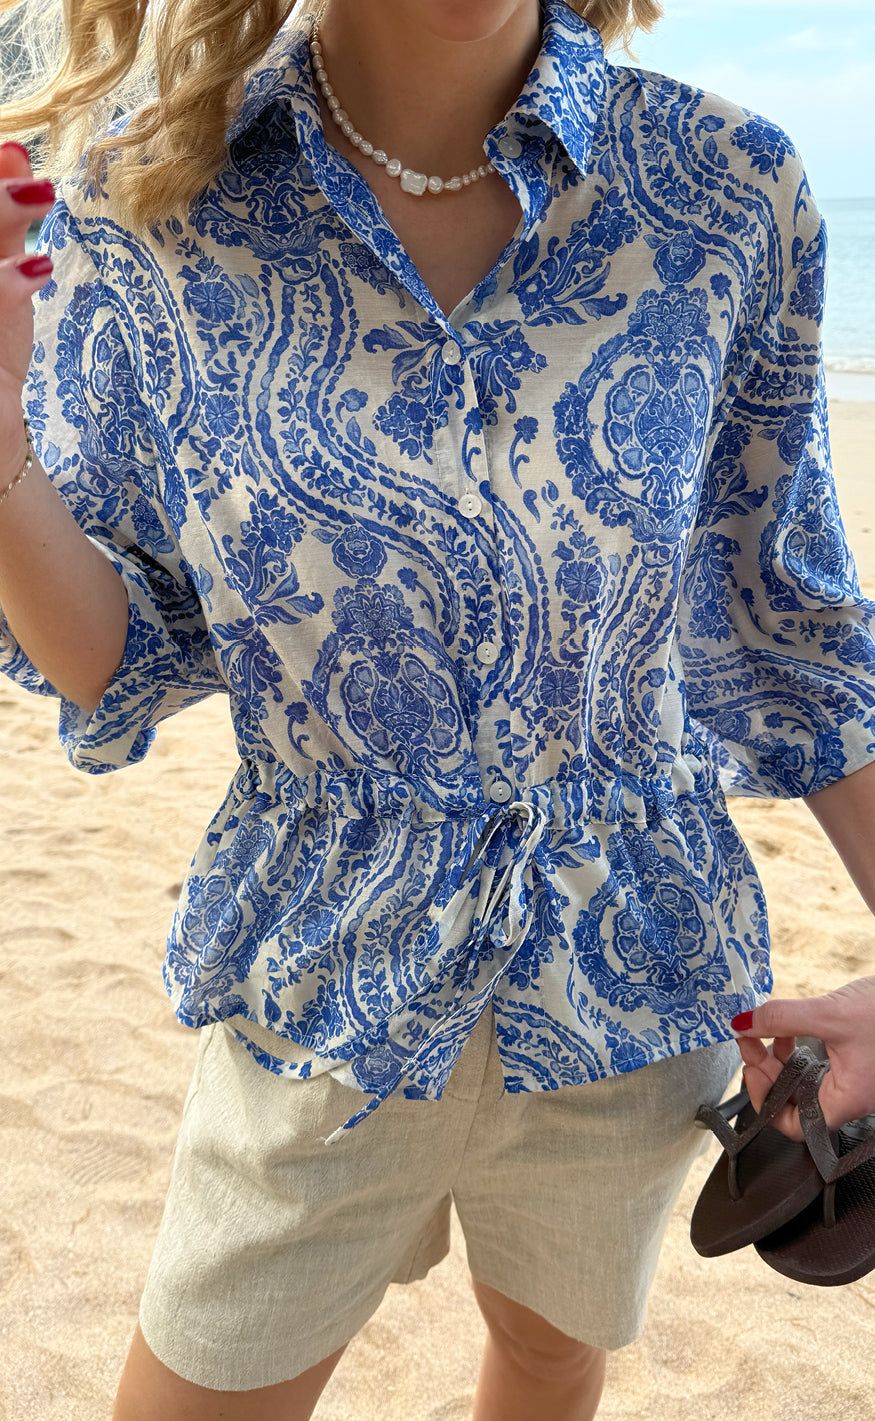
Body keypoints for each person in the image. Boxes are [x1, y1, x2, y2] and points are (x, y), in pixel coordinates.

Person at [1, 0, 874, 1416]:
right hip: (321, 982)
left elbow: (796, 630)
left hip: (630, 979)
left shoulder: (726, 188)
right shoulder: (147, 198)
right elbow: (118, 650)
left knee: (549, 1347)